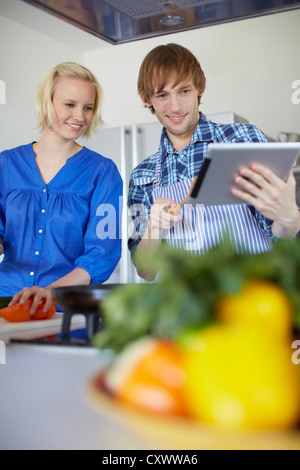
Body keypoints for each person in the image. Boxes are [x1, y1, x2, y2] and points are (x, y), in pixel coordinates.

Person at [128, 43, 300, 281]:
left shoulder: (242, 139)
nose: (175, 106)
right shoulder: (143, 175)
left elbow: (283, 235)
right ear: (146, 98)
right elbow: (146, 271)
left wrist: (290, 218)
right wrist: (153, 229)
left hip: (255, 298)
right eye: (162, 95)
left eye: (184, 91)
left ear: (200, 86)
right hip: (189, 310)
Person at [0, 62, 122, 312]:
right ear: (47, 102)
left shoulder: (103, 172)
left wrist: (50, 292)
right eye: (70, 104)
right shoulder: (6, 164)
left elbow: (102, 255)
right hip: (6, 303)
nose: (80, 116)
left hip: (66, 309)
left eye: (88, 108)